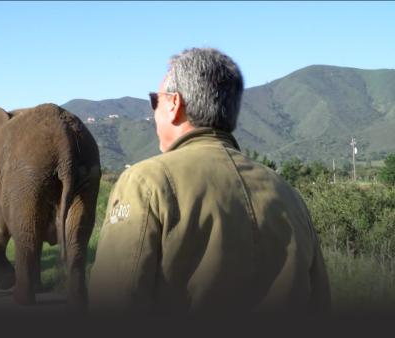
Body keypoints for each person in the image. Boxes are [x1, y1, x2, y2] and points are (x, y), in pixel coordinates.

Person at [88, 48, 330, 315]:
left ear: (174, 104)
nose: (153, 111)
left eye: (155, 101)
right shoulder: (288, 194)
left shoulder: (146, 183)